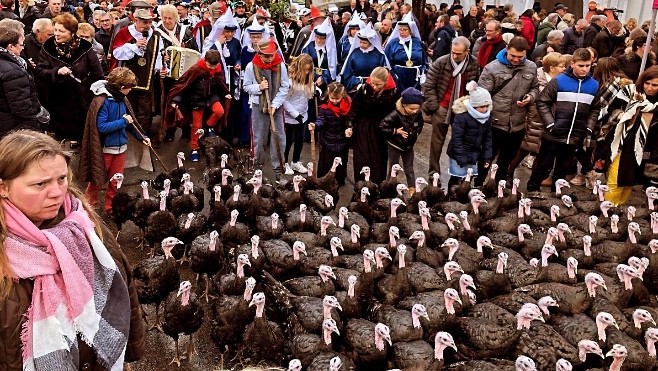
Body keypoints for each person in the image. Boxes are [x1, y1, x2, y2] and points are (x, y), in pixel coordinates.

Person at [0, 130, 144, 371]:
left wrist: (126, 351)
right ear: (3, 188)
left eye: (61, 179)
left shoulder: (84, 225)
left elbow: (122, 283)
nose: (57, 192)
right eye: (40, 184)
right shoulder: (6, 253)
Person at [527, 48, 600, 192]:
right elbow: (542, 102)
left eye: (587, 65)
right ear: (572, 64)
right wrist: (550, 124)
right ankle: (532, 192)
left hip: (575, 135)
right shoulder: (558, 81)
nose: (585, 69)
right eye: (581, 65)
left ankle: (556, 195)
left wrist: (588, 127)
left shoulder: (594, 85)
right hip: (554, 132)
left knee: (563, 168)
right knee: (542, 165)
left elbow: (595, 108)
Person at [82, 67, 149, 212]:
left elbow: (131, 122)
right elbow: (101, 127)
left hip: (120, 148)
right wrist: (123, 122)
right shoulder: (103, 101)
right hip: (105, 149)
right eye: (129, 87)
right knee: (97, 179)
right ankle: (89, 205)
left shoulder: (122, 99)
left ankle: (110, 206)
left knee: (116, 180)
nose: (131, 90)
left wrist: (142, 137)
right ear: (121, 87)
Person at [477, 36, 539, 185]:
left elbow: (535, 88)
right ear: (506, 50)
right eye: (513, 56)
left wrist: (530, 97)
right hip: (495, 124)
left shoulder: (531, 67)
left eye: (520, 57)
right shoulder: (492, 68)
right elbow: (481, 95)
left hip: (517, 125)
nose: (516, 60)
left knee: (507, 160)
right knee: (486, 158)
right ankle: (478, 184)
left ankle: (499, 187)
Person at [36, 13, 103, 145]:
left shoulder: (85, 47)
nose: (56, 34)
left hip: (82, 99)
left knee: (82, 137)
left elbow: (97, 73)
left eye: (61, 31)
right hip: (58, 99)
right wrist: (56, 72)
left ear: (72, 32)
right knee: (61, 138)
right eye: (55, 30)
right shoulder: (48, 47)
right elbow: (40, 71)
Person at [595, 66, 658, 205]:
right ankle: (608, 210)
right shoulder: (630, 93)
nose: (649, 88)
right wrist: (622, 115)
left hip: (644, 150)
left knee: (629, 183)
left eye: (654, 85)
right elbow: (610, 109)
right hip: (621, 143)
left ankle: (618, 211)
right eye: (647, 83)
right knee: (616, 180)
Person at [423, 36, 479, 178]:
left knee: (459, 142)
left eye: (458, 53)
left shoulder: (473, 64)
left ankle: (457, 173)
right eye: (453, 52)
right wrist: (435, 106)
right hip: (442, 107)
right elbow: (429, 85)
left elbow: (475, 85)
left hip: (462, 109)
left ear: (467, 51)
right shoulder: (441, 62)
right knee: (436, 143)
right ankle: (433, 172)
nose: (454, 55)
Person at [506, 52, 568, 182]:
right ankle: (508, 174)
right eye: (562, 66)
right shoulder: (540, 83)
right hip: (534, 122)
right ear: (552, 68)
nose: (564, 69)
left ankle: (534, 181)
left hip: (546, 123)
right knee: (524, 149)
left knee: (540, 153)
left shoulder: (557, 82)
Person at [166, 50, 230, 162]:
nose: (212, 68)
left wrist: (226, 93)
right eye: (210, 65)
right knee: (196, 125)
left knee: (219, 111)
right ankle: (194, 148)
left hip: (211, 97)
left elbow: (221, 83)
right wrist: (176, 99)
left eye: (215, 66)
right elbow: (183, 84)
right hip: (196, 99)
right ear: (205, 61)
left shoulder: (217, 69)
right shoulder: (196, 69)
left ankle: (209, 126)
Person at [111, 8, 164, 143]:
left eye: (149, 22)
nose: (147, 25)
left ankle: (141, 136)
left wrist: (162, 68)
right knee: (128, 107)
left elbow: (159, 56)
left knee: (144, 111)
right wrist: (134, 47)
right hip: (127, 80)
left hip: (147, 79)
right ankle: (126, 135)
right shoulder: (125, 33)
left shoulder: (156, 35)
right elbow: (116, 54)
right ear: (136, 21)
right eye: (144, 22)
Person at [243, 38, 290, 179]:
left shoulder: (281, 66)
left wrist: (275, 105)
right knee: (259, 139)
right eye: (266, 56)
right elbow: (246, 86)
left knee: (280, 138)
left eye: (272, 55)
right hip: (259, 107)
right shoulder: (251, 66)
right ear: (259, 54)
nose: (270, 58)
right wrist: (259, 87)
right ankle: (257, 170)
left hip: (276, 107)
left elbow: (285, 86)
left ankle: (278, 171)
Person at [347, 66, 398, 184]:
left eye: (378, 84)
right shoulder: (364, 89)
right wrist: (350, 124)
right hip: (363, 126)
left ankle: (377, 186)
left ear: (386, 81)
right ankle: (360, 186)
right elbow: (355, 108)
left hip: (380, 128)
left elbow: (393, 114)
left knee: (378, 159)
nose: (374, 87)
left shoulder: (393, 93)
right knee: (361, 158)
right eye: (372, 83)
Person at [446, 81, 492, 188]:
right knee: (456, 178)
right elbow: (456, 140)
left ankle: (463, 196)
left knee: (468, 178)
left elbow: (487, 139)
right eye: (482, 106)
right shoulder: (462, 117)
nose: (485, 109)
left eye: (487, 106)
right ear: (474, 105)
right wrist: (462, 159)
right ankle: (450, 197)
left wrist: (487, 157)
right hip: (458, 155)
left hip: (474, 154)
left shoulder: (487, 117)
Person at [0, 27, 42, 137]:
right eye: (21, 45)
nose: (23, 49)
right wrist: (33, 127)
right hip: (12, 127)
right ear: (11, 46)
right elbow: (22, 108)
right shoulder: (13, 71)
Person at [379, 87, 424, 188]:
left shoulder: (418, 114)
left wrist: (416, 133)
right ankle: (388, 187)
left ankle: (413, 190)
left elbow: (420, 124)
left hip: (408, 146)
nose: (415, 111)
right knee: (393, 168)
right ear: (404, 105)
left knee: (409, 169)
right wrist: (395, 131)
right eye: (411, 109)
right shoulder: (395, 114)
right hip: (395, 145)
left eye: (417, 108)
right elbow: (382, 126)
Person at [308, 82, 351, 186]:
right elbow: (321, 120)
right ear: (328, 94)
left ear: (342, 95)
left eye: (337, 99)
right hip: (328, 140)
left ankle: (339, 181)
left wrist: (349, 128)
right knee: (326, 164)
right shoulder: (324, 106)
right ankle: (323, 181)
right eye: (332, 98)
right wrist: (315, 125)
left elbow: (350, 120)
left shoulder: (348, 105)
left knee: (341, 164)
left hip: (342, 140)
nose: (335, 101)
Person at [282, 54, 313, 175]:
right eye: (304, 70)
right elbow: (284, 100)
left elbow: (306, 95)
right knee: (288, 140)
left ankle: (295, 161)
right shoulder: (290, 82)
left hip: (303, 114)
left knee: (300, 139)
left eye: (308, 70)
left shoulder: (308, 80)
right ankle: (284, 162)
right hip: (291, 116)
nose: (306, 72)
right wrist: (294, 114)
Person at [385, 14, 427, 91]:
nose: (402, 32)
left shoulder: (417, 42)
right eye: (400, 30)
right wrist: (394, 76)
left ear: (410, 30)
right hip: (400, 77)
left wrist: (423, 72)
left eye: (405, 30)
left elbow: (425, 60)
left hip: (416, 77)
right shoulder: (393, 43)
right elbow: (387, 62)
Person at [340, 27, 388, 93]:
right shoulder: (354, 53)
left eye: (364, 43)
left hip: (374, 87)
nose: (361, 45)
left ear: (371, 42)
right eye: (360, 42)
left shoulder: (379, 55)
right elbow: (348, 73)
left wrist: (374, 85)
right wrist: (357, 85)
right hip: (357, 87)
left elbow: (383, 73)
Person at [301, 17, 337, 92]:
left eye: (322, 38)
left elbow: (332, 67)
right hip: (310, 77)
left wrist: (323, 78)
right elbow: (304, 64)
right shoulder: (308, 47)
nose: (318, 40)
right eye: (317, 37)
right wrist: (316, 77)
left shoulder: (329, 50)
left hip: (325, 80)